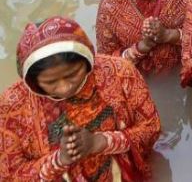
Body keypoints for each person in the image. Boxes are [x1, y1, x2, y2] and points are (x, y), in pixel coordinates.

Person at [0, 17, 161, 181]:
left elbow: (151, 128)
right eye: (50, 82)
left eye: (72, 74)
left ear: (87, 59)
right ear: (32, 80)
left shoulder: (118, 72)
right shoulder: (11, 105)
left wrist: (100, 142)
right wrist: (59, 160)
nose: (64, 88)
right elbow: (9, 174)